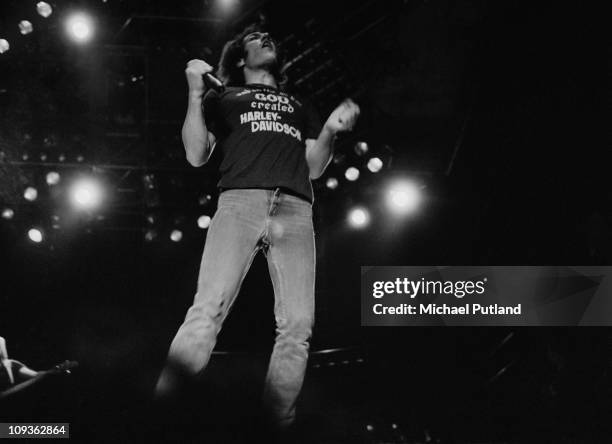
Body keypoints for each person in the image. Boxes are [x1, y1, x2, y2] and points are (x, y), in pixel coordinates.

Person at [155, 26, 360, 430]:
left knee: (298, 326)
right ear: (238, 58)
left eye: (270, 35)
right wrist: (195, 94)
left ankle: (276, 426)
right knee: (207, 310)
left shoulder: (298, 104)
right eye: (255, 36)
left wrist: (332, 131)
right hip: (240, 202)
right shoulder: (224, 96)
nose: (266, 36)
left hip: (296, 209)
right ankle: (160, 414)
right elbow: (196, 154)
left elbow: (314, 167)